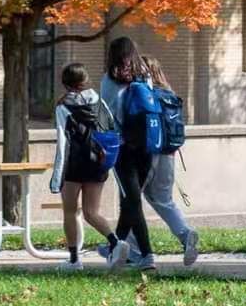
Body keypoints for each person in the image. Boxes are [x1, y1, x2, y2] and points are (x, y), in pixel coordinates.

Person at [49, 62, 130, 271]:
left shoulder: (63, 107)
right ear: (85, 80)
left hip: (74, 165)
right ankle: (116, 243)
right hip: (98, 163)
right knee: (91, 212)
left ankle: (75, 260)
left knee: (69, 212)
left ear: (65, 83)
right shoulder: (99, 101)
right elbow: (112, 128)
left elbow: (62, 141)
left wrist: (56, 176)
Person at [100, 36, 156, 270]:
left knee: (132, 200)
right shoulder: (145, 75)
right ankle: (116, 247)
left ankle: (146, 254)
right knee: (130, 200)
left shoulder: (109, 79)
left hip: (122, 148)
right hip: (146, 145)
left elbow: (105, 114)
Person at [139, 56, 200, 265]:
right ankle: (185, 234)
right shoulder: (169, 94)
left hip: (146, 154)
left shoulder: (143, 95)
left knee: (130, 201)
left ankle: (130, 249)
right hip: (169, 154)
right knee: (164, 200)